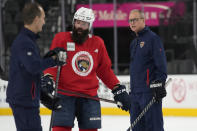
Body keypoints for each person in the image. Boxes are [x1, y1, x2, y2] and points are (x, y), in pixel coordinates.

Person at [43, 7, 130, 131]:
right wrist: (48, 78)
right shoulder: (61, 39)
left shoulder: (97, 43)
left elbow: (104, 70)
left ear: (89, 26)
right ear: (73, 22)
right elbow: (52, 64)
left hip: (89, 98)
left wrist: (117, 88)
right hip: (65, 95)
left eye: (83, 24)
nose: (79, 26)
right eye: (77, 22)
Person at [6, 2, 66, 131]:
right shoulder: (24, 42)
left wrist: (45, 98)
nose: (44, 22)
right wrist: (54, 60)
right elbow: (33, 67)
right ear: (36, 19)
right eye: (43, 18)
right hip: (24, 101)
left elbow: (30, 73)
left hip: (27, 99)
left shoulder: (28, 41)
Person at [128, 9, 167, 131]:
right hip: (135, 94)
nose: (132, 23)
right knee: (137, 128)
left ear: (143, 20)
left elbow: (161, 65)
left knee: (154, 127)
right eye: (130, 20)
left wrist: (159, 83)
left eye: (135, 19)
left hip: (149, 93)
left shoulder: (153, 39)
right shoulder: (134, 43)